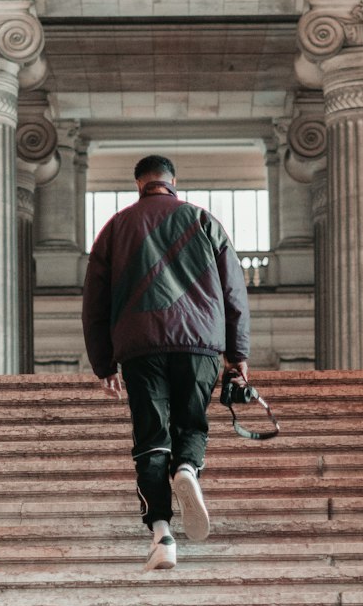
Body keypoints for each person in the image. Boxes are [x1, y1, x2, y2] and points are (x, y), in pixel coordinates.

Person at [81, 154, 251, 571]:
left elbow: (94, 304)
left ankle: (162, 533)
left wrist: (104, 364)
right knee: (190, 423)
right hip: (200, 344)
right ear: (173, 181)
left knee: (151, 436)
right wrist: (238, 355)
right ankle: (188, 468)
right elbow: (234, 292)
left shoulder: (115, 228)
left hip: (140, 345)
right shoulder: (204, 221)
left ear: (138, 184)